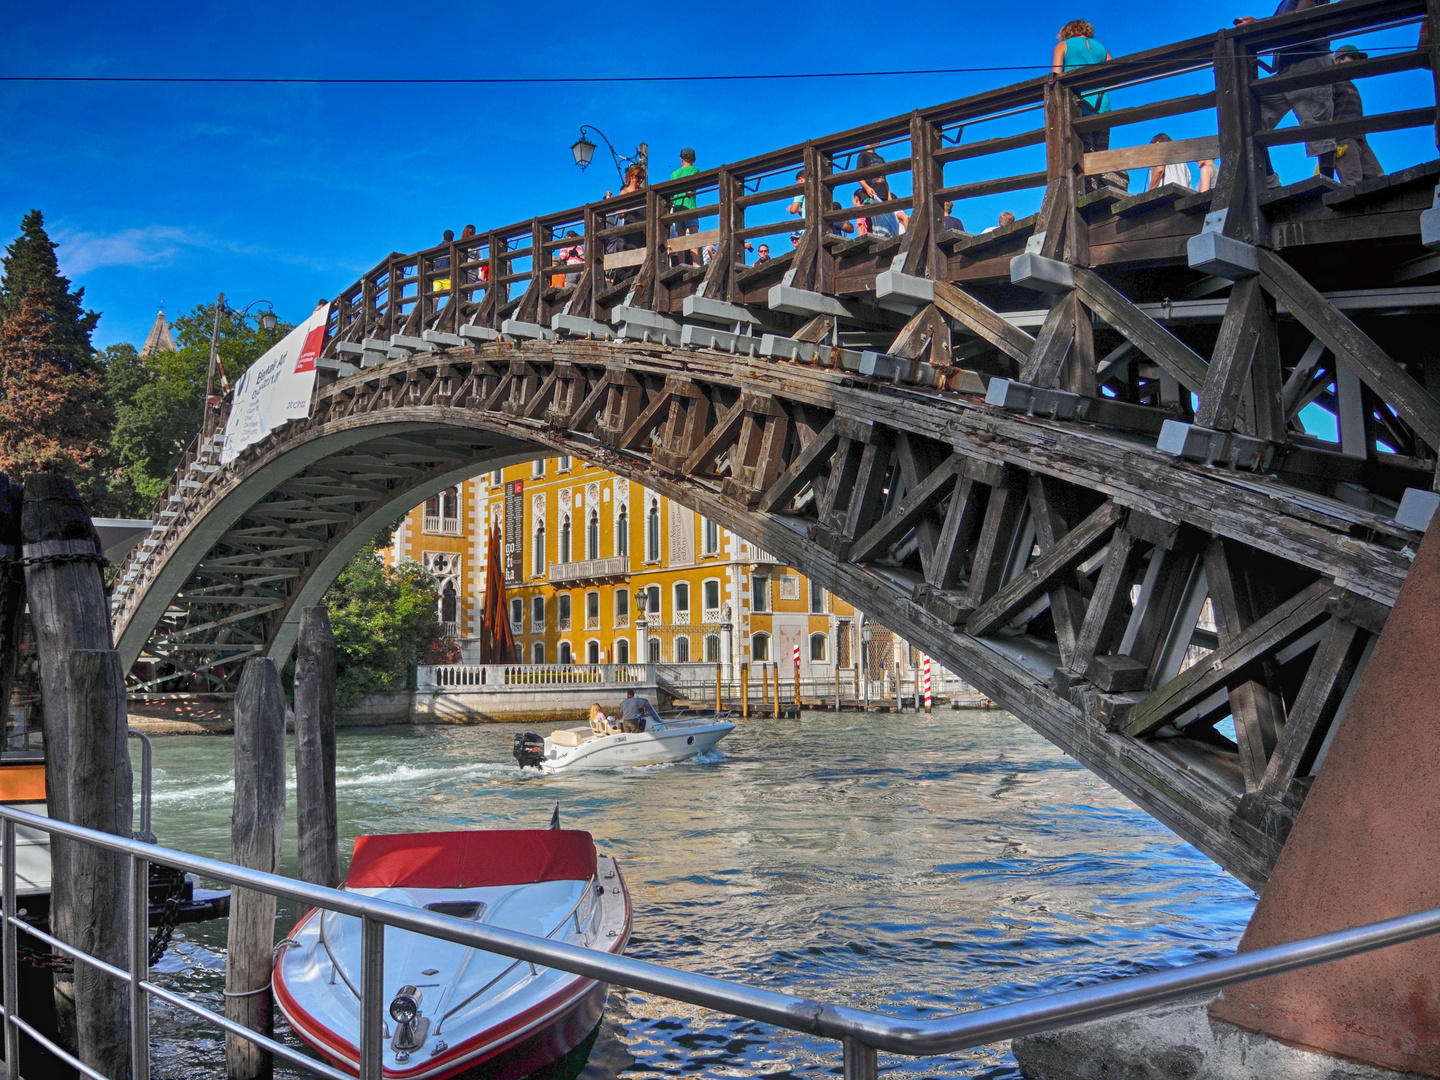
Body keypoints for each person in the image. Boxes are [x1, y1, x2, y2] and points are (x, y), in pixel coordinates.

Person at [1235, 0, 1336, 188]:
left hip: (1310, 61)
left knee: (1317, 124)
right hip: (1285, 68)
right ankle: (1269, 181)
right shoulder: (1284, 3)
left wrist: (1259, 24)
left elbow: (1303, 13)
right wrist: (1258, 26)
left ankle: (1327, 184)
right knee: (1252, 118)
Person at [1053, 20, 1114, 192]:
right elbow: (1112, 71)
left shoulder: (1063, 46)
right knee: (1100, 152)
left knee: (1083, 151)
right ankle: (1101, 186)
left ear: (1067, 32)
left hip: (1078, 105)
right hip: (1102, 104)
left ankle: (1088, 191)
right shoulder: (1102, 48)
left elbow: (1055, 76)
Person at [1331, 45, 1384, 185]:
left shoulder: (1351, 85)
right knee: (1353, 183)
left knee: (1377, 178)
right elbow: (1324, 112)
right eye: (1352, 58)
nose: (1356, 61)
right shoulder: (1331, 82)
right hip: (1344, 139)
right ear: (1339, 60)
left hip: (1361, 140)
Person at [670, 148, 701, 265]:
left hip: (677, 206)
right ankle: (695, 263)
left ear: (680, 159)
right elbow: (691, 182)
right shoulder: (694, 169)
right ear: (694, 159)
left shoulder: (674, 174)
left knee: (680, 238)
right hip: (689, 206)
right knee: (694, 236)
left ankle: (681, 263)